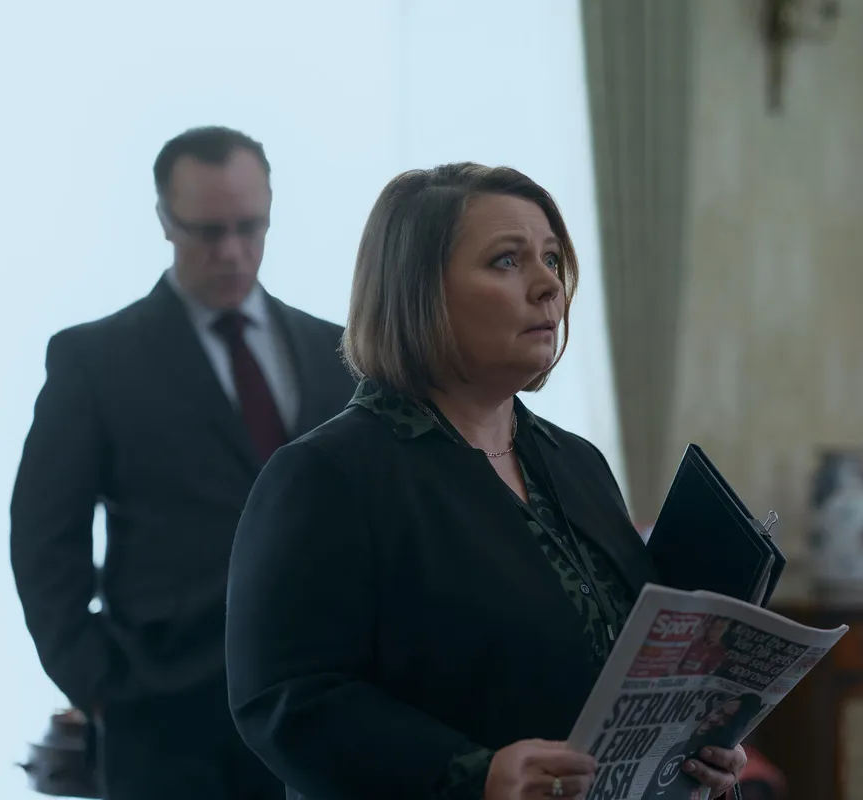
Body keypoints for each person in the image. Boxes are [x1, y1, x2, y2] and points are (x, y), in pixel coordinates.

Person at [224, 162, 749, 800]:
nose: (547, 286)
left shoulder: (576, 461)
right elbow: (286, 702)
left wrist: (695, 747)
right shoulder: (328, 474)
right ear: (416, 291)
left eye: (553, 260)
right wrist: (473, 774)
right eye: (507, 261)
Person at [10, 125, 356, 799]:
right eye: (206, 231)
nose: (231, 251)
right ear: (165, 221)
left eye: (249, 226)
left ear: (271, 209)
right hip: (164, 720)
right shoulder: (95, 361)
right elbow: (43, 541)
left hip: (325, 708)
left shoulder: (337, 352)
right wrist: (100, 685)